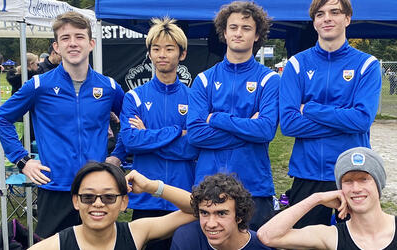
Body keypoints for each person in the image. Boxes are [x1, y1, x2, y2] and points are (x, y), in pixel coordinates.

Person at [0, 11, 125, 238]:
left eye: (79, 37)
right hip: (55, 188)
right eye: (65, 38)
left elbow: (131, 124)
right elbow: (1, 118)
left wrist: (118, 155)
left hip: (96, 191)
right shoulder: (39, 85)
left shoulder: (110, 88)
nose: (73, 43)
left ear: (91, 43)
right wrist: (23, 161)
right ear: (57, 46)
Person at [279, 0, 382, 228]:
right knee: (305, 242)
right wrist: (345, 118)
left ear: (347, 18)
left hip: (352, 174)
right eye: (320, 14)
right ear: (314, 22)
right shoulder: (296, 65)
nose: (327, 18)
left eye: (335, 12)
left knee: (354, 241)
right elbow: (288, 124)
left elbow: (362, 119)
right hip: (307, 173)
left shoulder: (367, 65)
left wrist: (310, 109)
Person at [186, 1, 280, 230]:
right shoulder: (204, 79)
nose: (239, 33)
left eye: (246, 28)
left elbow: (266, 130)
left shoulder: (270, 80)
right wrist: (249, 127)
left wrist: (216, 118)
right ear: (224, 33)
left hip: (254, 187)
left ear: (257, 35)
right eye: (233, 27)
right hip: (209, 189)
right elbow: (196, 134)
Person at [113, 17, 198, 250]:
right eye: (156, 49)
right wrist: (175, 132)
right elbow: (130, 141)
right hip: (145, 196)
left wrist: (148, 136)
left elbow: (194, 145)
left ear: (182, 54)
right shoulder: (134, 97)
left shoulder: (194, 97)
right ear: (149, 54)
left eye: (169, 49)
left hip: (183, 195)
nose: (162, 54)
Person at [29, 162, 195, 250]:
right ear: (76, 201)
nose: (98, 203)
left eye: (109, 197)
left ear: (123, 202)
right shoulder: (56, 245)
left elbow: (197, 210)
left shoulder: (136, 233)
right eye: (88, 197)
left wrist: (152, 187)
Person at [258, 147, 397, 249]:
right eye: (348, 181)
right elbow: (267, 236)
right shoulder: (333, 236)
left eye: (364, 179)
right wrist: (316, 198)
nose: (356, 188)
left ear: (379, 184)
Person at [171, 173, 272, 250]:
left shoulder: (262, 246)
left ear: (239, 216)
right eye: (204, 213)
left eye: (221, 213)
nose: (211, 224)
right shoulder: (186, 239)